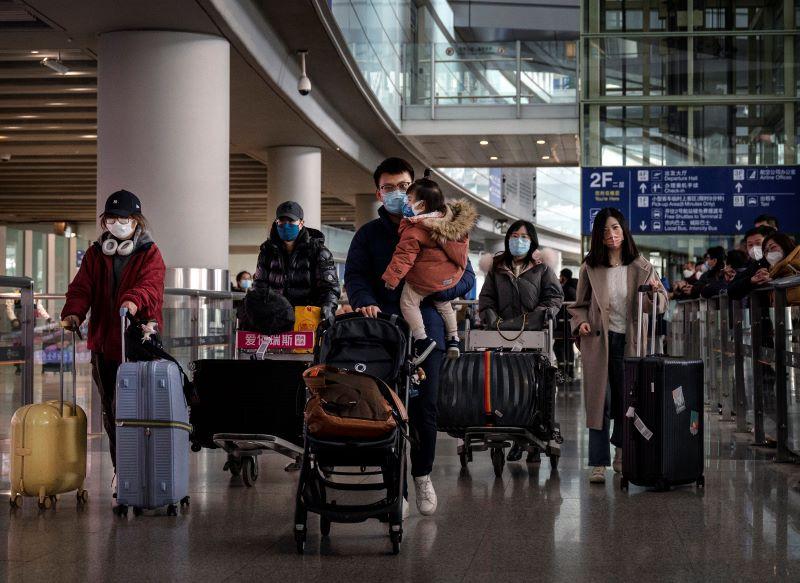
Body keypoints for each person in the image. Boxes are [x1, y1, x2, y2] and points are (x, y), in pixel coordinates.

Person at [345, 157, 476, 517]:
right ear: (378, 192)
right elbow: (355, 276)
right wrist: (365, 301)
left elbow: (467, 275)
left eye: (403, 186)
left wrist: (444, 291)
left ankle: (422, 475)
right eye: (389, 187)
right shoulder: (368, 235)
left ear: (414, 189)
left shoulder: (440, 226)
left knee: (424, 407)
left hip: (427, 328)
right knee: (384, 410)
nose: (397, 193)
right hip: (382, 331)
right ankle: (395, 486)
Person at [61, 190, 165, 492]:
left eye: (125, 219)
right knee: (111, 409)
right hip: (105, 343)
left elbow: (151, 285)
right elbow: (82, 288)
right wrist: (74, 313)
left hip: (138, 342)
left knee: (140, 408)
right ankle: (124, 471)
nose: (118, 224)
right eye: (112, 218)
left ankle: (149, 468)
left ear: (136, 221)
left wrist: (133, 301)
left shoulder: (150, 253)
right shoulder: (96, 253)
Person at [568, 208, 667, 485]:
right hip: (600, 342)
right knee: (600, 402)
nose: (610, 235)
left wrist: (656, 294)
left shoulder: (642, 266)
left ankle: (623, 456)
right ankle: (598, 463)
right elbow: (579, 306)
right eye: (604, 231)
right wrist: (581, 323)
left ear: (624, 230)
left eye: (615, 228)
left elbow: (659, 305)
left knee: (628, 401)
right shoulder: (590, 267)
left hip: (631, 342)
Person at [478, 220, 563, 461]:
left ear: (532, 240)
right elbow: (486, 300)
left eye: (524, 237)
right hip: (503, 338)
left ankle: (534, 439)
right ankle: (516, 438)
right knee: (508, 388)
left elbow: (554, 298)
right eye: (514, 236)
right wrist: (494, 321)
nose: (519, 240)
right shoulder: (497, 269)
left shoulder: (543, 269)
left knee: (537, 388)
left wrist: (531, 319)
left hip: (536, 337)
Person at [382, 178, 477, 363]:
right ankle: (454, 339)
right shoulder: (450, 222)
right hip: (448, 277)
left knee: (408, 303)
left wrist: (392, 278)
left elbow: (404, 255)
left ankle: (422, 339)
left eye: (408, 199)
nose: (405, 203)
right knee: (444, 304)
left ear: (421, 204)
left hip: (425, 279)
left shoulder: (415, 228)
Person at [252, 201, 340, 322]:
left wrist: (328, 307)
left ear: (301, 223)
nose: (286, 225)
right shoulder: (267, 251)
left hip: (307, 318)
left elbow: (330, 288)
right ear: (276, 222)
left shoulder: (318, 251)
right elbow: (260, 285)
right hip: (276, 318)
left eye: (291, 221)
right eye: (282, 221)